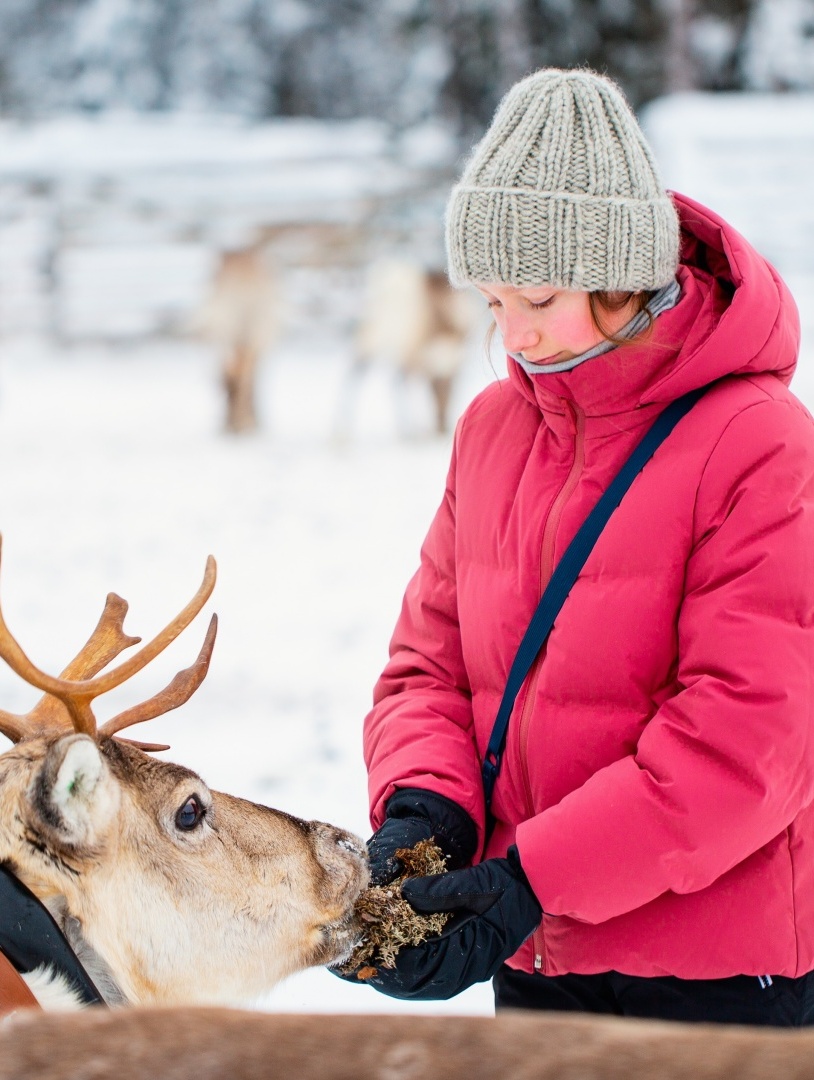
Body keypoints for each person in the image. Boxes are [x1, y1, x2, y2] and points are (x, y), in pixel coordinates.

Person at [337, 68, 814, 1026]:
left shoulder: (762, 443)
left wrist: (531, 879)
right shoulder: (490, 430)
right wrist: (426, 814)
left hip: (712, 975)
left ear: (620, 277)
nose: (514, 335)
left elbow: (748, 739)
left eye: (541, 299)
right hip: (538, 959)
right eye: (491, 303)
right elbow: (427, 666)